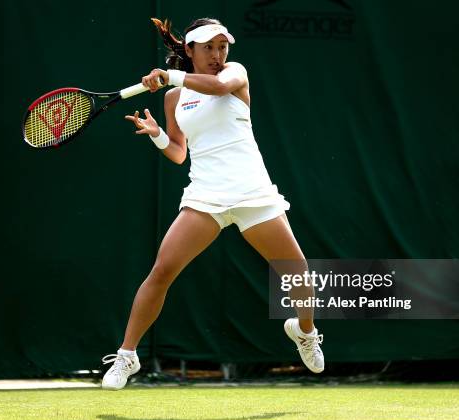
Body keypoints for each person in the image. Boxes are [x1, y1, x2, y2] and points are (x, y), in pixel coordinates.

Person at [101, 17, 324, 390]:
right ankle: (127, 356)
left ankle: (304, 330)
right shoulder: (175, 98)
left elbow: (219, 86)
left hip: (253, 192)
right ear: (189, 50)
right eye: (208, 48)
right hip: (206, 197)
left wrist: (171, 76)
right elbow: (178, 152)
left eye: (222, 46)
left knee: (297, 273)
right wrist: (158, 136)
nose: (218, 55)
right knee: (162, 271)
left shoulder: (234, 74)